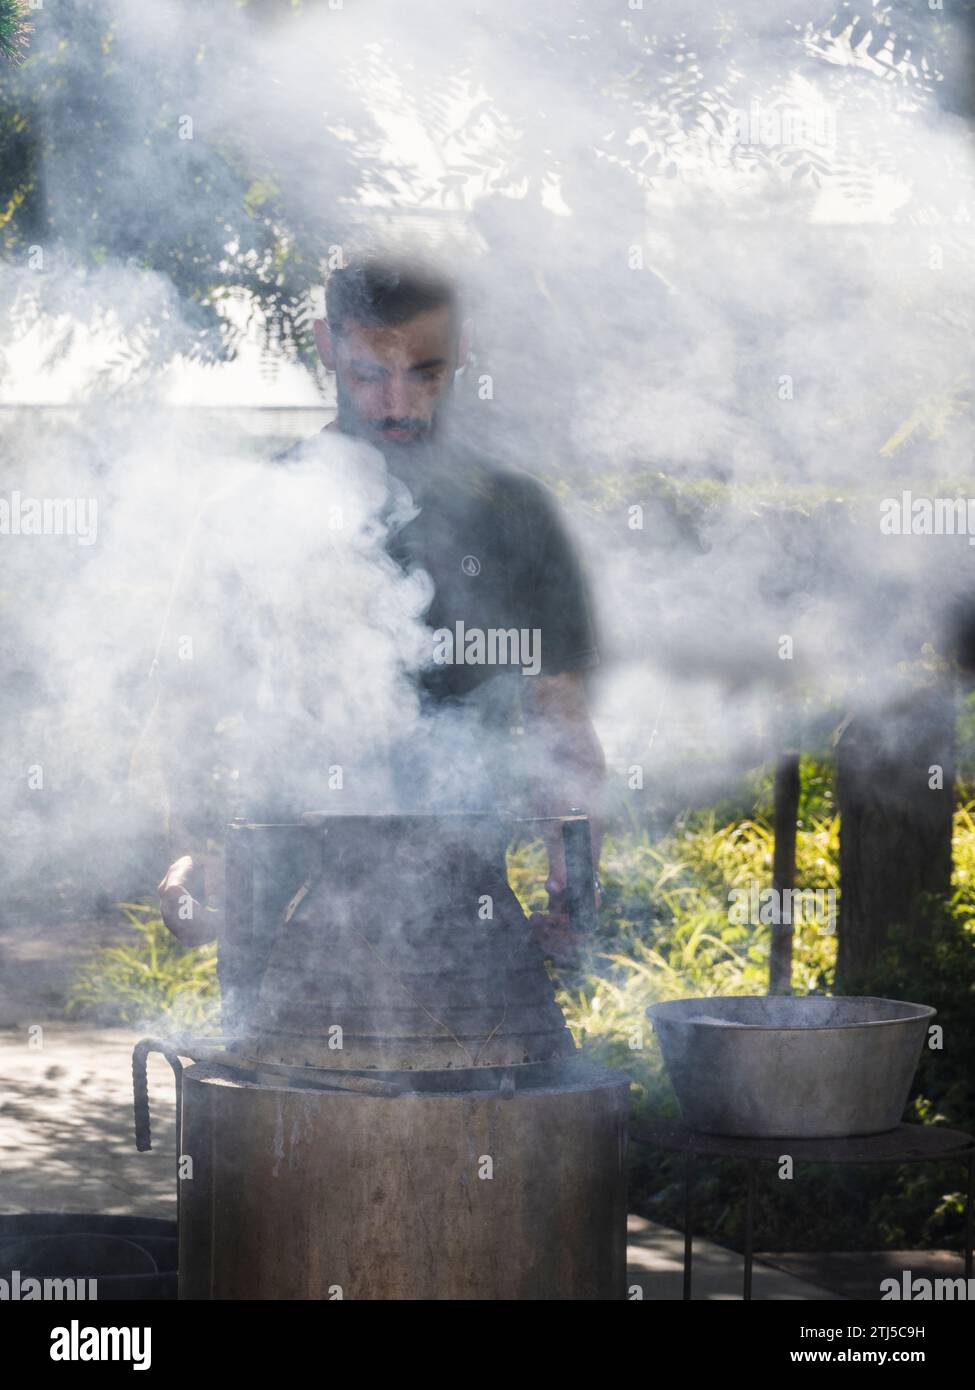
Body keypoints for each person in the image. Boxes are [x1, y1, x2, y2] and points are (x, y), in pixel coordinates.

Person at [156, 252, 605, 963]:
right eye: (369, 374)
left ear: (458, 354)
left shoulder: (515, 514)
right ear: (326, 345)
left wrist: (571, 882)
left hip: (466, 924)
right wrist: (186, 851)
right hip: (280, 927)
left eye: (424, 373)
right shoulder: (247, 515)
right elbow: (184, 704)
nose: (398, 404)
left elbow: (559, 719)